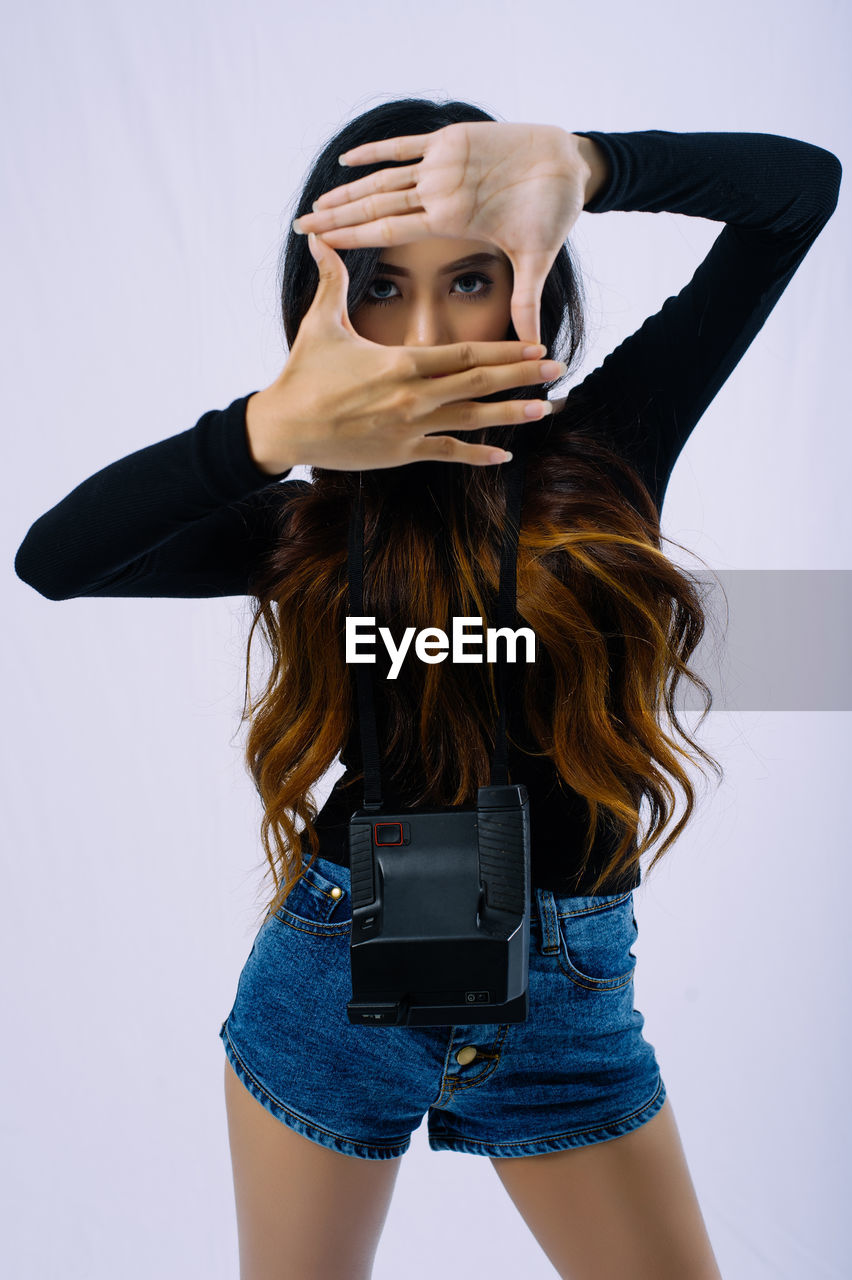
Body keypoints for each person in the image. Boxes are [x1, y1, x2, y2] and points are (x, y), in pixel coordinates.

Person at [14, 97, 841, 1280]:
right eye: (381, 285)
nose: (428, 326)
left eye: (471, 276)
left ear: (537, 281)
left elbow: (797, 189)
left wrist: (585, 165)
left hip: (567, 1005)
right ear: (322, 306)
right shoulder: (305, 520)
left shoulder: (610, 445)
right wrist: (263, 431)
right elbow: (54, 560)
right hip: (333, 986)